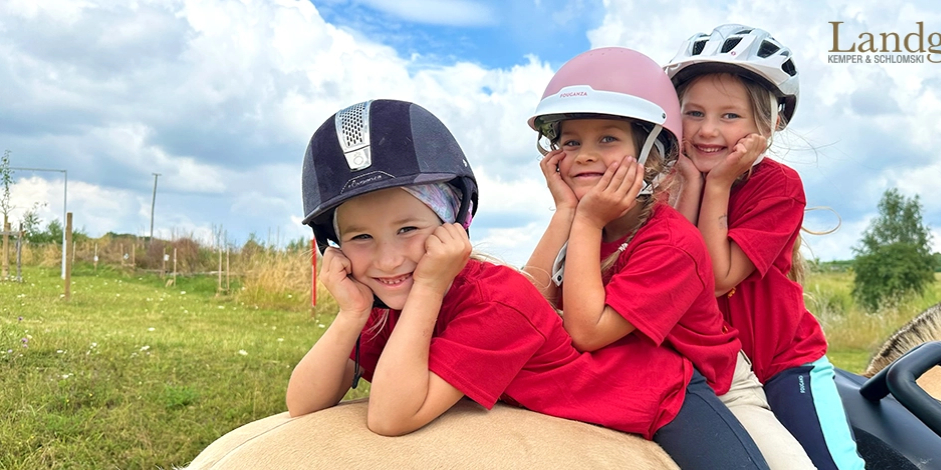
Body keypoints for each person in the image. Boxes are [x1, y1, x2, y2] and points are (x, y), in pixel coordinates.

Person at [288, 98, 767, 468]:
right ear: (335, 245)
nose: (388, 257)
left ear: (455, 224)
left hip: (659, 398)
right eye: (362, 237)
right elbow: (304, 403)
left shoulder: (494, 302)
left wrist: (431, 288)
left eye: (409, 228)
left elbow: (390, 417)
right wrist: (350, 313)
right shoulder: (381, 303)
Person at [524, 47, 809, 469]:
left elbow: (587, 332)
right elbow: (527, 306)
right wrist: (567, 213)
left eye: (607, 138)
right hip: (637, 374)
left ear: (651, 155)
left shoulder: (671, 242)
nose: (584, 154)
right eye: (570, 141)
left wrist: (583, 221)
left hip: (716, 387)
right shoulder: (585, 224)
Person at [664, 24, 865, 470]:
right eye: (693, 113)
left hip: (782, 366)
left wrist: (715, 185)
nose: (708, 130)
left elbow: (715, 278)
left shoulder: (778, 185)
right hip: (708, 371)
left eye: (730, 116)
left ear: (768, 124)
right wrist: (687, 184)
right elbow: (667, 275)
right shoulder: (664, 187)